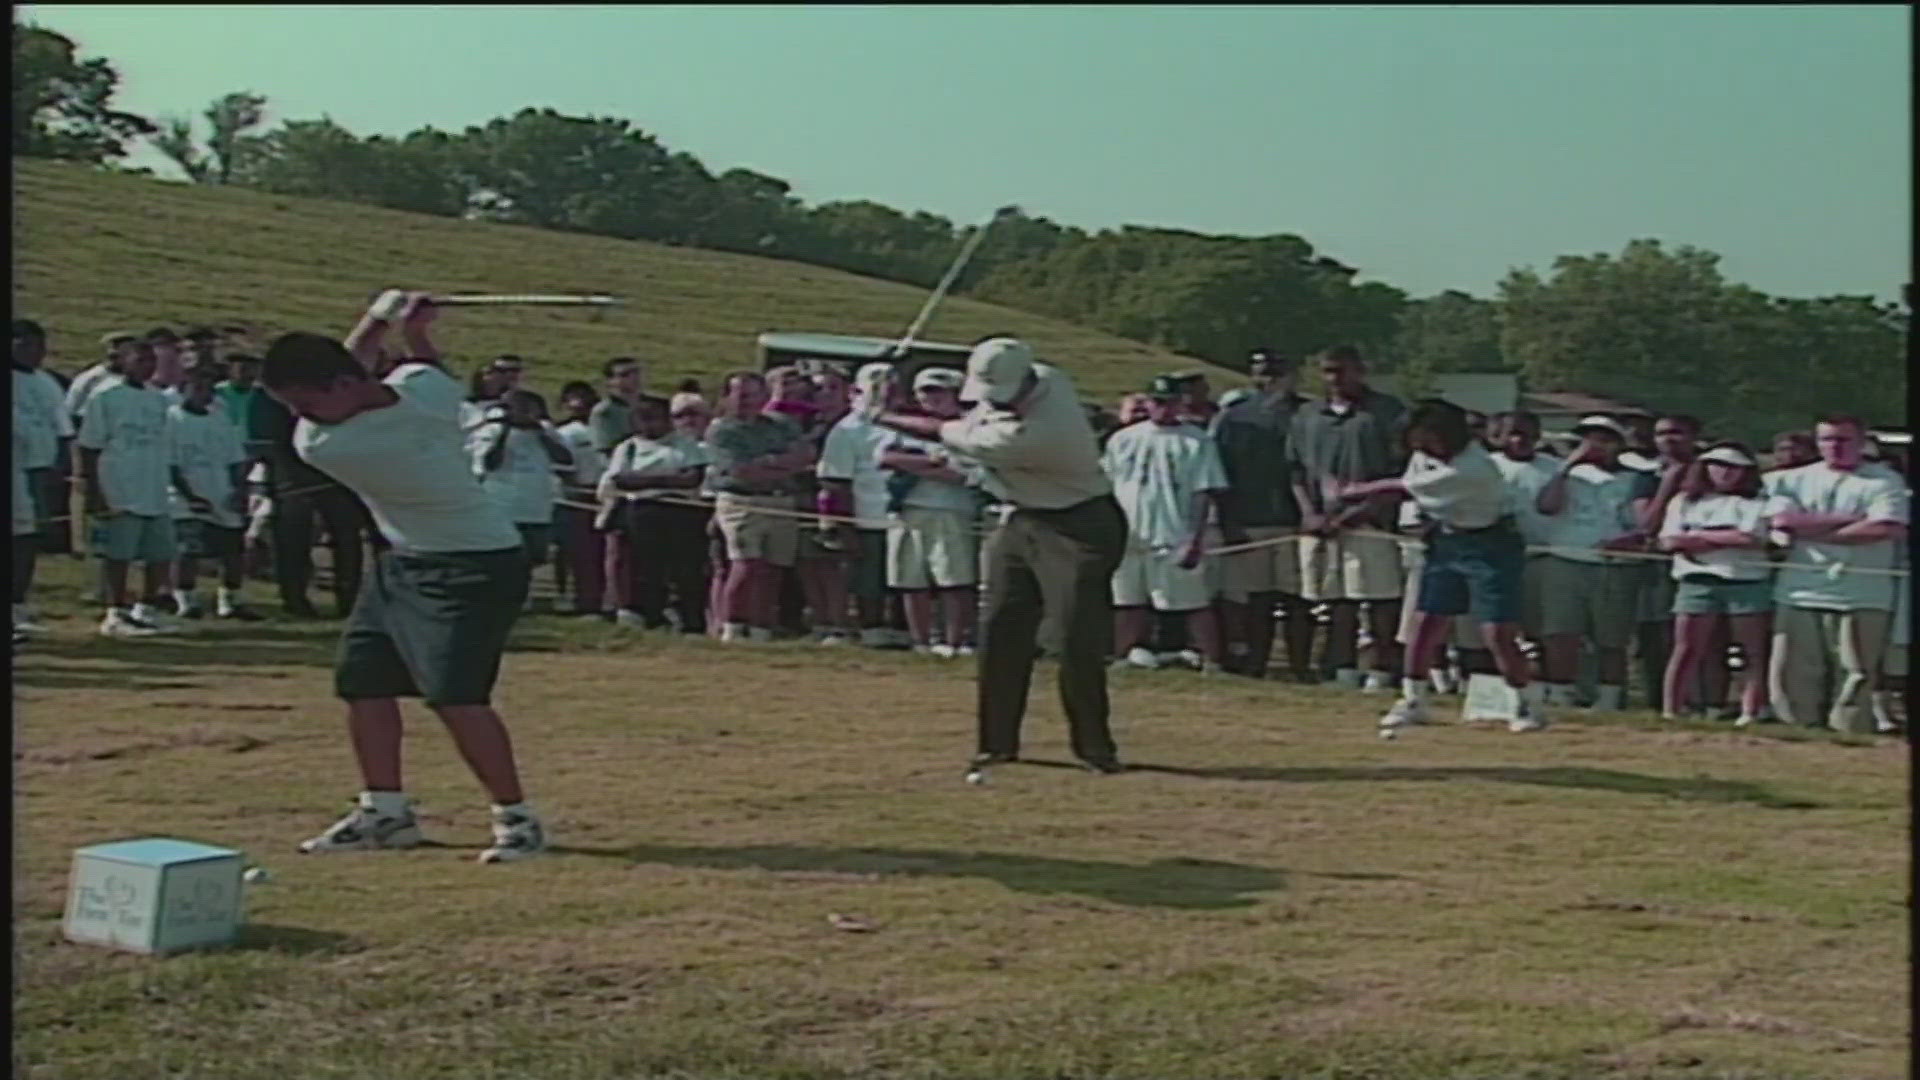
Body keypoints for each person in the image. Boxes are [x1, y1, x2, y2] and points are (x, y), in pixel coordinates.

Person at [262, 289, 545, 863]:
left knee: (455, 697)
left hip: (477, 564)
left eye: (304, 403)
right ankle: (385, 814)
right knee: (362, 683)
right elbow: (371, 366)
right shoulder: (413, 397)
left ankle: (517, 819)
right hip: (406, 561)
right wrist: (407, 329)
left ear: (341, 390)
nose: (300, 418)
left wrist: (380, 319)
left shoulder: (339, 440)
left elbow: (355, 361)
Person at [872, 337, 1128, 776]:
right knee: (1000, 629)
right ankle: (996, 743)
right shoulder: (1046, 378)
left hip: (1081, 527)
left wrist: (878, 413)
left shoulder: (1034, 434)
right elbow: (966, 419)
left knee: (1073, 638)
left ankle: (1095, 748)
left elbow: (940, 431)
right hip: (1022, 519)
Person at [1331, 400, 1546, 733]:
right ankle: (1413, 700)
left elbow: (1399, 489)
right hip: (1446, 540)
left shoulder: (1474, 466)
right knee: (1426, 621)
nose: (1416, 444)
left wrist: (1348, 491)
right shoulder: (1423, 457)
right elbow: (1404, 494)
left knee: (1497, 632)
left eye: (1423, 435)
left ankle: (1526, 704)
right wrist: (1346, 519)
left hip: (1492, 544)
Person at [1765, 415, 1908, 735]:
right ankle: (1797, 729)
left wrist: (1813, 530)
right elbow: (1782, 522)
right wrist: (1846, 520)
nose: (1835, 447)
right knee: (1794, 669)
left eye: (1843, 440)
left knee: (1855, 671)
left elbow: (1886, 526)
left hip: (1863, 591)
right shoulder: (1788, 479)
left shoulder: (1884, 481)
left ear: (1860, 442)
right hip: (1799, 590)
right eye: (1827, 440)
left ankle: (1850, 731)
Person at [1288, 344, 1406, 690]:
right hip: (1320, 525)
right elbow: (1295, 470)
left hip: (1372, 522)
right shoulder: (1308, 415)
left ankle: (1383, 669)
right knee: (1335, 601)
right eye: (1328, 371)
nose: (1335, 379)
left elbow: (1401, 472)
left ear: (1360, 371)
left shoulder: (1386, 412)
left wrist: (1359, 512)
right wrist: (1309, 514)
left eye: (1342, 371)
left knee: (1380, 599)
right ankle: (1342, 667)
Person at [1104, 375, 1229, 672]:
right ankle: (1122, 656)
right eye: (1158, 402)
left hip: (1172, 533)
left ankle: (1213, 661)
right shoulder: (1124, 439)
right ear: (1147, 402)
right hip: (1130, 533)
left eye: (1171, 402)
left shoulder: (1196, 441)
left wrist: (1193, 538)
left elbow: (1203, 492)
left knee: (1191, 602)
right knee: (1127, 601)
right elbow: (1107, 485)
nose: (1164, 409)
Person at [1533, 415, 1656, 710]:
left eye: (1604, 439)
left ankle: (1608, 697)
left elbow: (1643, 521)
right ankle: (1562, 693)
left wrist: (1628, 540)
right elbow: (1546, 506)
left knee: (1611, 637)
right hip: (1566, 558)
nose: (1596, 446)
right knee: (1560, 632)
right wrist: (1568, 465)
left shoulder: (1638, 476)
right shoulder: (1566, 475)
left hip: (1614, 564)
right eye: (1589, 438)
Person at [1211, 348, 1313, 680]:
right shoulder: (1233, 416)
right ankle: (1257, 662)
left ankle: (1300, 666)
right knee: (1257, 599)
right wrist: (1228, 520)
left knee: (1299, 598)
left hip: (1297, 520)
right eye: (1261, 372)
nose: (1268, 379)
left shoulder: (1309, 413)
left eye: (1275, 372)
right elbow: (1220, 473)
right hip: (1250, 517)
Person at [1655, 443, 1771, 724]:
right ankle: (1672, 709)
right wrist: (1724, 538)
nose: (1724, 472)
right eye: (1717, 465)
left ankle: (1750, 710)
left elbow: (1751, 538)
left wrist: (1697, 539)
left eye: (1733, 467)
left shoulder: (1757, 502)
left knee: (1752, 649)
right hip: (1696, 579)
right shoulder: (1684, 501)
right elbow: (1669, 540)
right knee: (1686, 648)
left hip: (1746, 580)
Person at [78, 339, 180, 636]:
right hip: (120, 487)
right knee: (119, 554)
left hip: (154, 487)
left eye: (151, 361)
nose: (147, 366)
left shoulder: (159, 398)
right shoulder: (106, 396)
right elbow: (89, 446)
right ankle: (116, 612)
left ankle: (147, 608)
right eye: (140, 360)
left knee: (159, 552)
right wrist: (94, 491)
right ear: (123, 362)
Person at [877, 366, 980, 656]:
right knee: (910, 578)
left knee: (954, 579)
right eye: (925, 392)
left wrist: (915, 463)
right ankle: (920, 641)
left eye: (938, 391)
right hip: (905, 509)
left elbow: (963, 474)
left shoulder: (969, 428)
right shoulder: (904, 426)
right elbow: (885, 457)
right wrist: (931, 464)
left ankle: (955, 641)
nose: (930, 398)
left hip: (950, 509)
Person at [705, 370, 815, 643]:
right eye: (740, 394)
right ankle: (732, 625)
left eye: (753, 394)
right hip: (742, 502)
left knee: (774, 566)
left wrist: (767, 463)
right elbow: (741, 471)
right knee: (746, 564)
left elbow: (805, 457)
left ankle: (760, 626)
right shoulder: (722, 430)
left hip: (780, 501)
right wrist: (781, 463)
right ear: (727, 397)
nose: (746, 401)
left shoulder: (781, 423)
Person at [599, 395, 711, 632]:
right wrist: (667, 479)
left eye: (656, 418)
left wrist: (648, 480)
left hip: (680, 511)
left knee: (684, 568)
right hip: (642, 511)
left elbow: (691, 479)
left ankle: (688, 618)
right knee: (646, 566)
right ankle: (650, 614)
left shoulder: (685, 444)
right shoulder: (628, 447)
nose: (650, 425)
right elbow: (621, 479)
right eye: (644, 419)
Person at [818, 362, 902, 647]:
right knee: (868, 578)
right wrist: (842, 525)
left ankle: (900, 628)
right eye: (875, 389)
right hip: (867, 516)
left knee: (901, 577)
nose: (883, 395)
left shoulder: (906, 424)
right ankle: (870, 627)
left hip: (903, 516)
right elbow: (834, 482)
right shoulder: (848, 430)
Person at [166, 368, 259, 620]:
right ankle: (186, 601)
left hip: (222, 494)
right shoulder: (171, 419)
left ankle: (229, 601)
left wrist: (239, 490)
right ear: (184, 389)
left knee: (232, 551)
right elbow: (170, 465)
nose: (203, 394)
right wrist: (190, 496)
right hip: (184, 498)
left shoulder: (220, 419)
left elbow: (236, 459)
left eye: (208, 389)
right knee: (188, 550)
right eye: (197, 388)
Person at [1635, 414, 1708, 711]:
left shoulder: (1712, 472)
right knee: (1656, 636)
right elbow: (1646, 524)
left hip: (1702, 565)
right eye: (1661, 433)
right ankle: (1659, 701)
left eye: (1677, 432)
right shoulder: (1645, 476)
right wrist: (1668, 483)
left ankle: (1705, 700)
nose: (1668, 439)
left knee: (1702, 641)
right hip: (1657, 566)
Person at [1487, 410, 1561, 671]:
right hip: (1496, 557)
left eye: (1528, 434)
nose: (1521, 440)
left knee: (1541, 627)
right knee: (1500, 625)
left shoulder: (1554, 467)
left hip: (1542, 556)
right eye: (1514, 433)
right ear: (1498, 436)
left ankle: (1546, 681)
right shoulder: (1488, 465)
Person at [474, 388, 573, 580]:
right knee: (506, 555)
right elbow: (490, 464)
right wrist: (505, 431)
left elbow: (565, 460)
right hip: (503, 505)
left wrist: (541, 434)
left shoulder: (545, 431)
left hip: (537, 506)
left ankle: (523, 591)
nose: (525, 413)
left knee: (536, 556)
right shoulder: (492, 430)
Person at [12, 320, 72, 623]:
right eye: (29, 345)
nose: (37, 353)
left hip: (37, 469)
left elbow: (62, 430)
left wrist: (59, 467)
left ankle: (17, 602)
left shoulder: (46, 382)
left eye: (41, 346)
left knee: (27, 537)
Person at [590, 357, 647, 619]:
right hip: (620, 484)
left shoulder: (649, 405)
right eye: (623, 375)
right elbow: (607, 448)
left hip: (651, 484)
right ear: (610, 381)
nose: (631, 379)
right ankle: (616, 602)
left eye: (634, 373)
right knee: (618, 547)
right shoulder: (605, 412)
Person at [551, 381, 606, 616]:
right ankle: (567, 595)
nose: (579, 403)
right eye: (573, 398)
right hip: (574, 496)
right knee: (571, 551)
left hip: (602, 494)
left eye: (584, 397)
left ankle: (596, 598)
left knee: (598, 552)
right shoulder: (563, 433)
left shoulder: (601, 429)